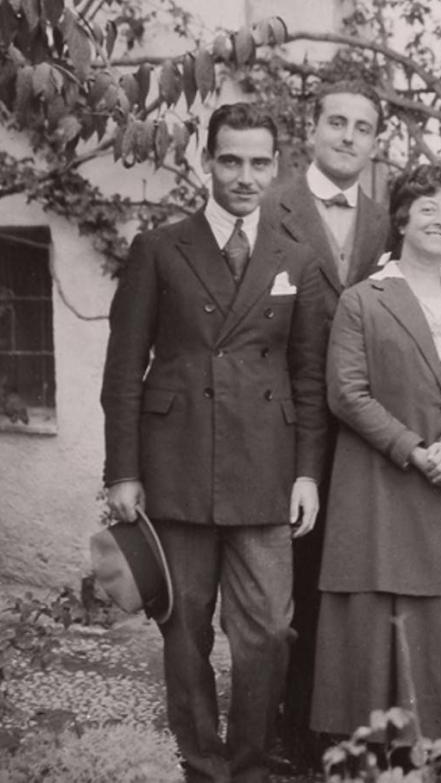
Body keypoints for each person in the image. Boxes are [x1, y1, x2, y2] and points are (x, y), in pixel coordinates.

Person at [101, 102, 328, 783]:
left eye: (260, 161)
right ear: (207, 160)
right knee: (186, 625)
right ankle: (202, 764)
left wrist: (308, 473)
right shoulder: (160, 247)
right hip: (177, 466)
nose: (245, 175)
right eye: (231, 159)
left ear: (278, 166)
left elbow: (309, 377)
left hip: (266, 469)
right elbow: (124, 370)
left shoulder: (298, 257)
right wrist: (123, 471)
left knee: (267, 630)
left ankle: (254, 764)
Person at [309, 164, 441, 744]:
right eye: (429, 210)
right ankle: (369, 764)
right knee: (373, 629)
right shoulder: (363, 300)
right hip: (380, 491)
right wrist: (415, 449)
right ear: (401, 219)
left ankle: (439, 755)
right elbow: (347, 392)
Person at [262, 78, 391, 759]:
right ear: (310, 130)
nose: (347, 135)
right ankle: (275, 729)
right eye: (336, 122)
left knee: (338, 581)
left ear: (376, 141)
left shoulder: (382, 218)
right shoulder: (269, 203)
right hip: (280, 422)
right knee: (279, 590)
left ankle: (326, 727)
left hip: (358, 429)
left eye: (362, 126)